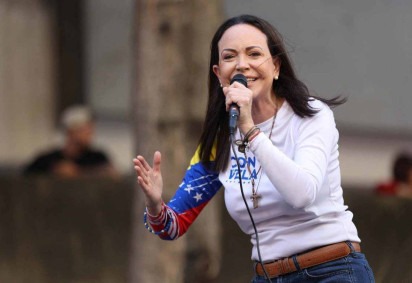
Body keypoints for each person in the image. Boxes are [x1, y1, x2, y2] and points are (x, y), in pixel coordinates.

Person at [133, 15, 375, 282]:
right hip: (267, 275)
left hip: (332, 270)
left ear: (276, 66)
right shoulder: (220, 141)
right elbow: (172, 226)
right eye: (229, 57)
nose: (242, 65)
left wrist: (250, 130)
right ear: (218, 74)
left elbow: (302, 194)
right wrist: (155, 206)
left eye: (254, 54)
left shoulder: (311, 116)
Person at [23, 105, 118, 178]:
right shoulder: (47, 160)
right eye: (85, 130)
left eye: (91, 129)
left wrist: (78, 172)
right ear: (71, 132)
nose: (90, 134)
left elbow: (111, 173)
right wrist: (55, 172)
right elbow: (26, 177)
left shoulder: (97, 157)